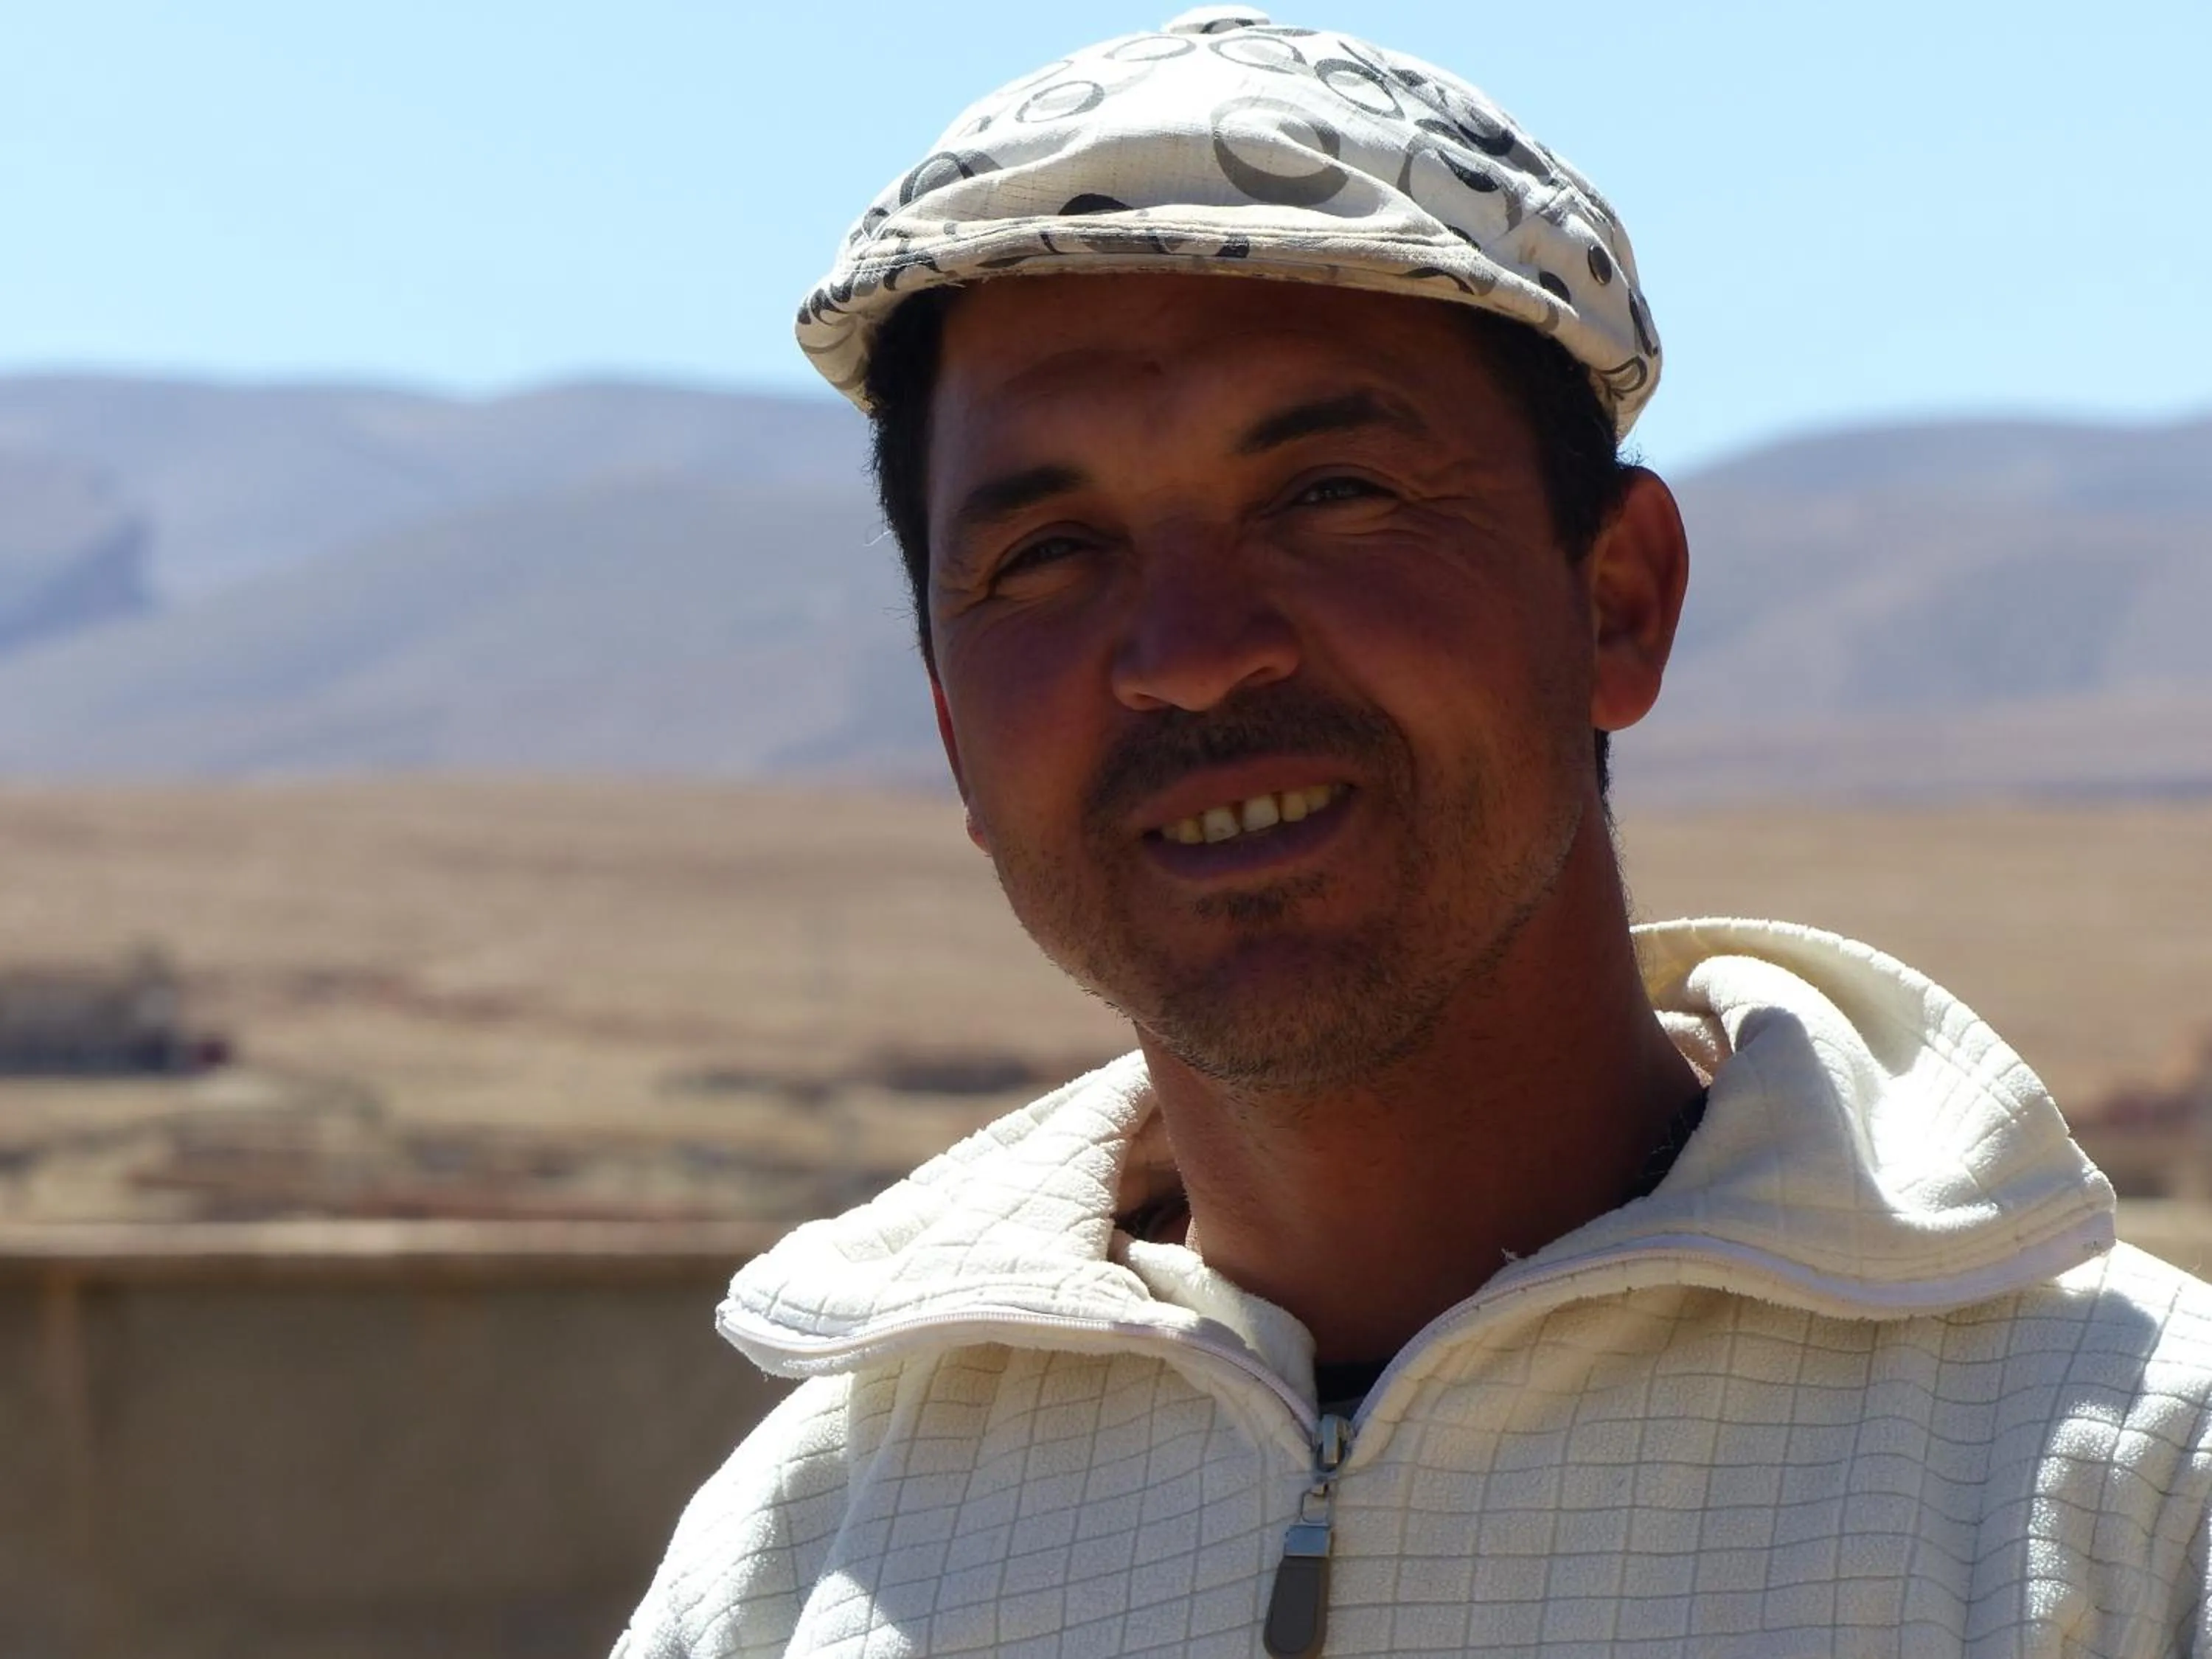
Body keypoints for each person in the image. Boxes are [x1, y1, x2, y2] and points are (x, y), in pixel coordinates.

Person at [619, 10, 2212, 1655]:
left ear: (1618, 602)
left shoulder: (2118, 1492)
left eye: (1331, 497)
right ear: (958, 733)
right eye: (1050, 555)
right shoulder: (806, 1563)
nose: (1187, 654)